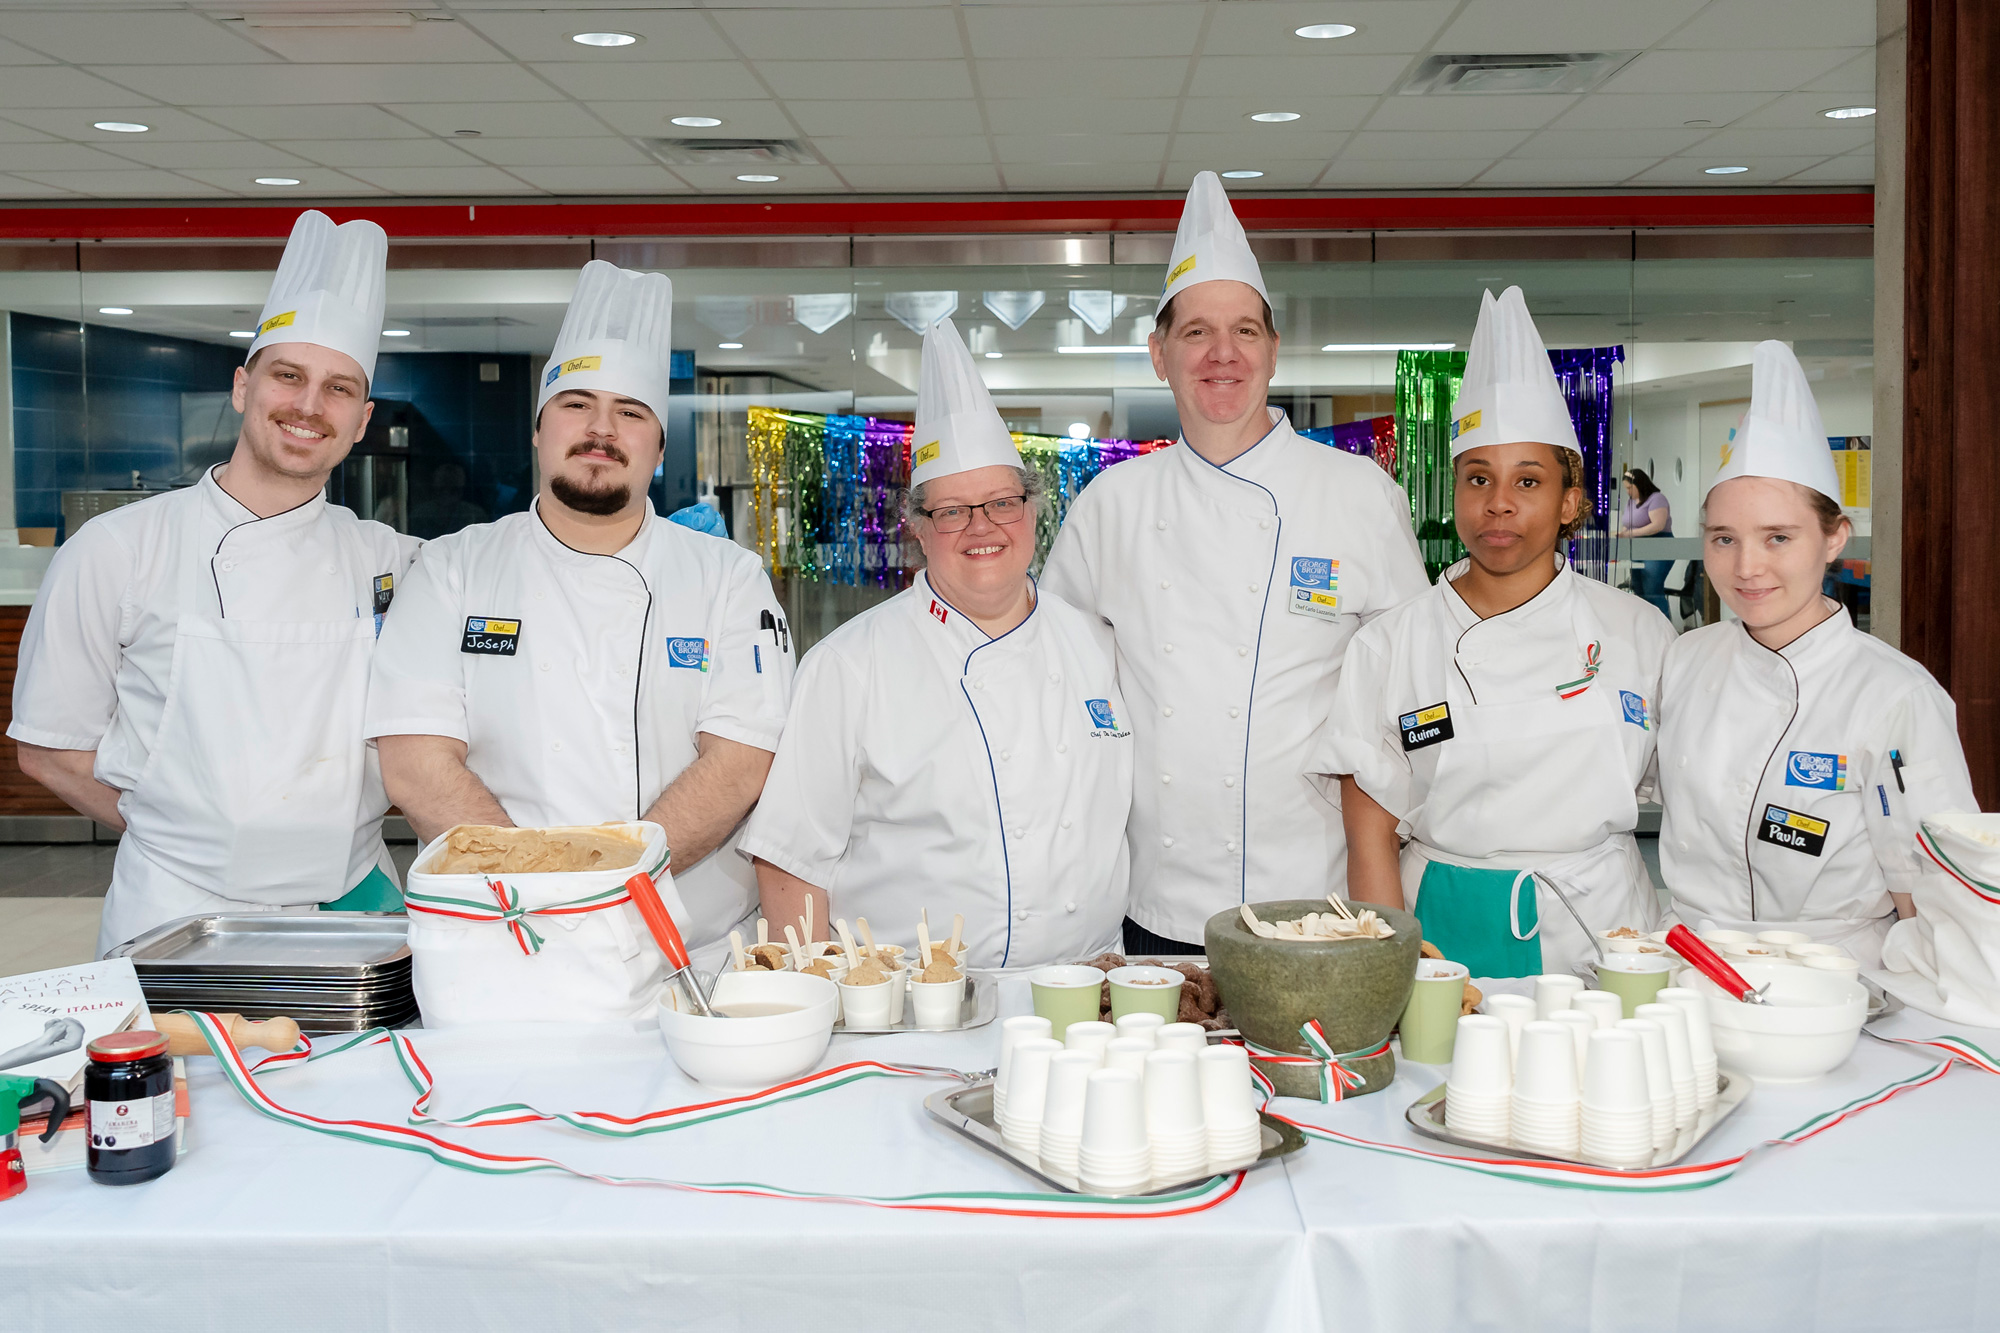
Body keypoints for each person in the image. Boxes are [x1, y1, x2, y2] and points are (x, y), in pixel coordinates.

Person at [10, 211, 418, 957]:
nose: (307, 406)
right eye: (287, 375)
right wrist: (189, 840)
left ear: (360, 421)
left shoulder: (389, 558)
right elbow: (49, 749)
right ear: (242, 386)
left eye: (337, 389)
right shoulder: (118, 550)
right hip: (173, 911)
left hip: (349, 904)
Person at [1041, 172, 1428, 954]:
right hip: (1156, 904)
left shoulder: (1358, 495)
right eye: (1196, 333)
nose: (1224, 354)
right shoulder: (1110, 506)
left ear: (1274, 351)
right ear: (1159, 354)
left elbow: (1408, 685)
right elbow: (1059, 688)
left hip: (1322, 901)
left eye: (1246, 331)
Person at [365, 260, 793, 959]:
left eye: (630, 413)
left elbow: (742, 763)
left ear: (657, 447)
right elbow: (415, 762)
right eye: (577, 404)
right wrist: (534, 892)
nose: (602, 429)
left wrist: (612, 883)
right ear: (537, 430)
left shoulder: (728, 579)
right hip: (501, 940)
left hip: (689, 948)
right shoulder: (452, 570)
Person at [740, 319, 1132, 968]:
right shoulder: (848, 664)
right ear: (919, 530)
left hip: (1088, 1000)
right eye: (952, 511)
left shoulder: (1096, 643)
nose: (982, 528)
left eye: (1002, 502)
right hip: (911, 1013)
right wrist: (819, 1006)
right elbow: (789, 864)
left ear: (1033, 511)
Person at [1314, 287, 1676, 978]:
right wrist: (1398, 976)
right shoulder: (1392, 644)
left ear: (1570, 500)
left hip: (1603, 935)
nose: (1499, 502)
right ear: (1455, 492)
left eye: (1528, 481)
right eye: (1478, 477)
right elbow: (1369, 841)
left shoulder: (1638, 633)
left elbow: (1691, 807)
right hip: (1441, 935)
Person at [1657, 341, 1976, 967]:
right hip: (1688, 966)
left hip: (1837, 980)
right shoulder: (1685, 660)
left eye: (1779, 537)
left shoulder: (1894, 695)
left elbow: (1933, 889)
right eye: (1724, 538)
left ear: (1834, 539)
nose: (1747, 568)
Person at [1618, 468, 1675, 620]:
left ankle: (1664, 629)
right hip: (1639, 548)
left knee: (1652, 590)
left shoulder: (1657, 499)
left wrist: (1630, 534)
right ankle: (1646, 628)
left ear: (1640, 484)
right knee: (1639, 590)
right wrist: (1621, 535)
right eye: (1626, 489)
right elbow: (1628, 524)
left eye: (1630, 488)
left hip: (1658, 546)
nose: (1628, 491)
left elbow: (1658, 525)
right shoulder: (1631, 502)